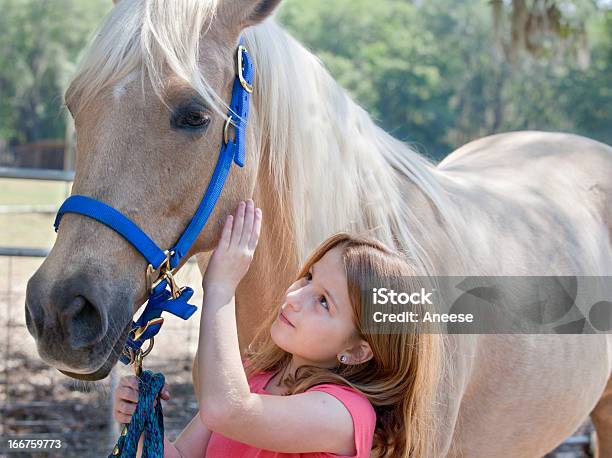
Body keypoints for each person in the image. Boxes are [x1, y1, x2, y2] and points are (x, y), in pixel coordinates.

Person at [113, 199, 442, 457]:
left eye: (324, 302)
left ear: (356, 351)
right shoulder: (255, 375)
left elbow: (227, 410)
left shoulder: (343, 414)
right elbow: (183, 455)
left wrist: (222, 287)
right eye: (309, 277)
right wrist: (142, 422)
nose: (297, 296)